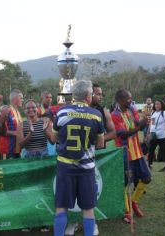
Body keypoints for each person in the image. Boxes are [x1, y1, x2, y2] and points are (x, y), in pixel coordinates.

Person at [50, 80, 104, 236]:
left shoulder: (62, 112)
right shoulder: (96, 115)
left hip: (65, 167)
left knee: (61, 207)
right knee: (88, 209)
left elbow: (54, 139)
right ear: (88, 96)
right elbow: (100, 144)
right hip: (86, 169)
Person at [111, 89, 151, 223]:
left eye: (131, 98)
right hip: (124, 154)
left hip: (137, 152)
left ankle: (133, 201)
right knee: (125, 183)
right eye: (128, 98)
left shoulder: (132, 110)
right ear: (120, 100)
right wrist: (140, 128)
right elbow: (122, 134)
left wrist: (145, 124)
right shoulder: (115, 115)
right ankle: (127, 212)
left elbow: (138, 125)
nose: (130, 100)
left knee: (147, 178)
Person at [0, 89, 24, 159]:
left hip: (17, 150)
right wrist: (16, 133)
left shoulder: (17, 112)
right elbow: (1, 131)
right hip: (7, 151)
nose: (22, 100)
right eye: (21, 98)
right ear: (14, 99)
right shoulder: (7, 111)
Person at [147, 100, 165, 171]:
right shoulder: (153, 113)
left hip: (163, 136)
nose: (157, 106)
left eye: (159, 104)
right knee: (151, 151)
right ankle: (149, 165)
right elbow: (151, 124)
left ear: (162, 105)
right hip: (153, 135)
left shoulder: (164, 113)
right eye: (156, 104)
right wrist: (149, 132)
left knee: (164, 151)